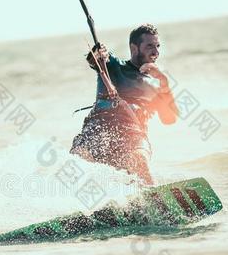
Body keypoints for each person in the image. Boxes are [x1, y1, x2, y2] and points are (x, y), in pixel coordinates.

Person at [70, 24, 179, 186]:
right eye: (149, 46)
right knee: (79, 155)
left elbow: (169, 119)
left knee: (139, 159)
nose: (155, 52)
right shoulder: (114, 65)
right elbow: (95, 59)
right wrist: (99, 53)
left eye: (157, 46)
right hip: (98, 130)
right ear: (134, 48)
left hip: (132, 137)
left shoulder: (157, 85)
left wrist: (165, 81)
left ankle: (154, 198)